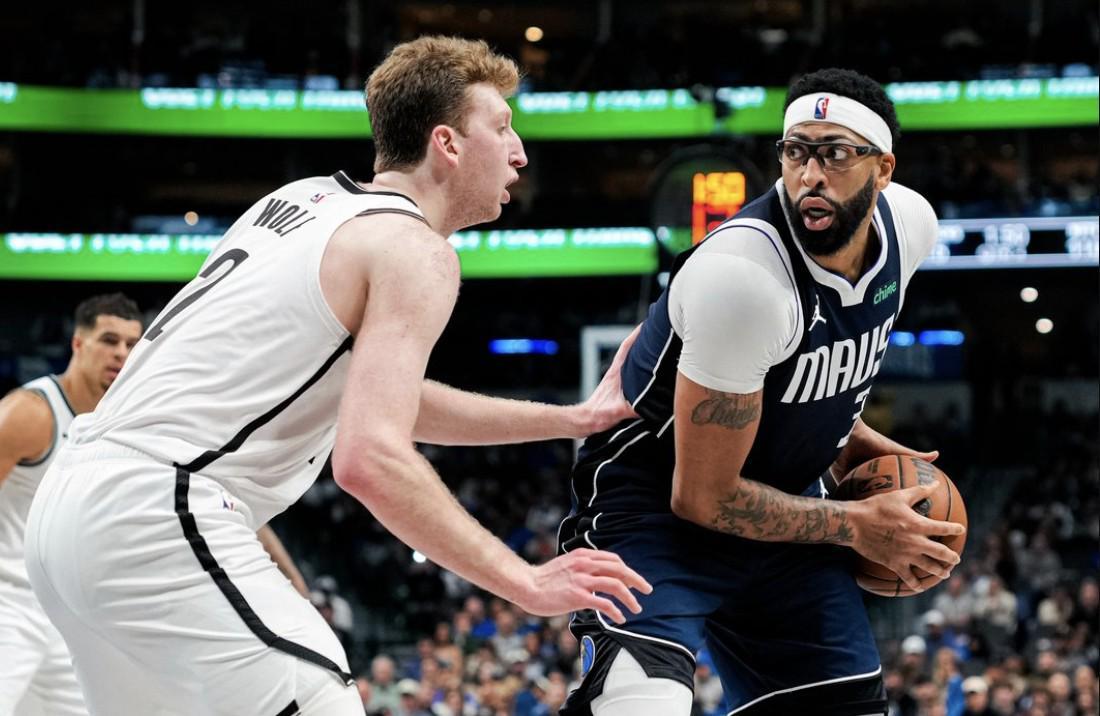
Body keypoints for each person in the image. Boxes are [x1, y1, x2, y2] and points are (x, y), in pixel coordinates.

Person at [24, 36, 650, 715]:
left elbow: (381, 396)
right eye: (501, 128)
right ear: (446, 143)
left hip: (65, 508)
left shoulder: (302, 201)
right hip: (156, 508)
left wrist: (569, 419)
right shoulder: (415, 250)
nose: (519, 151)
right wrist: (524, 581)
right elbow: (369, 457)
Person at [557, 68, 966, 716]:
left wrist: (843, 435)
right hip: (657, 513)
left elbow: (799, 375)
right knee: (641, 704)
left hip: (784, 508)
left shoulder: (912, 228)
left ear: (883, 169)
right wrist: (859, 526)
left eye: (835, 154)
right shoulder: (746, 279)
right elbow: (701, 496)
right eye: (796, 151)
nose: (811, 175)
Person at [0, 293, 143, 715]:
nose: (121, 353)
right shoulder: (29, 413)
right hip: (8, 603)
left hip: (67, 614)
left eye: (132, 344)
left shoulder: (123, 425)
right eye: (110, 340)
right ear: (78, 344)